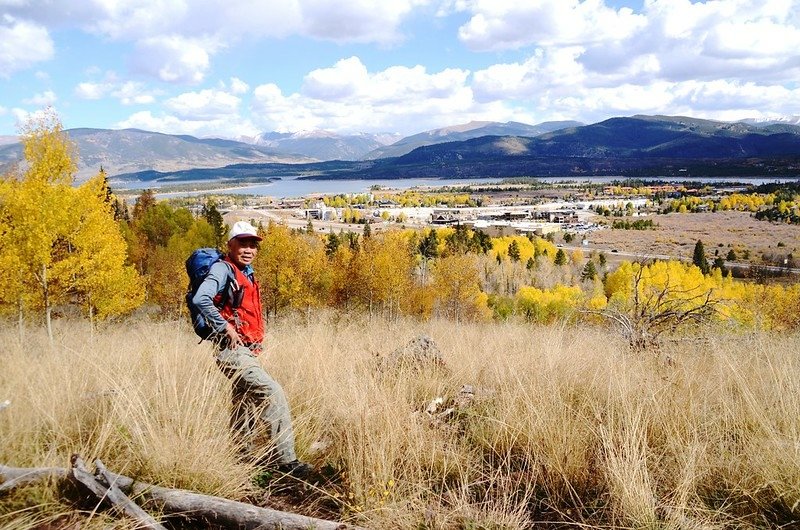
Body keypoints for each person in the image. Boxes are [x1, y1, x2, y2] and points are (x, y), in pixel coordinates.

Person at [192, 220, 312, 477]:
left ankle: (241, 457)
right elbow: (200, 298)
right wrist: (224, 327)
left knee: (243, 401)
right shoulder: (223, 270)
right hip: (231, 349)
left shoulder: (246, 272)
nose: (248, 249)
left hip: (246, 350)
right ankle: (287, 462)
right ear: (230, 245)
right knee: (272, 392)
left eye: (252, 245)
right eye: (242, 244)